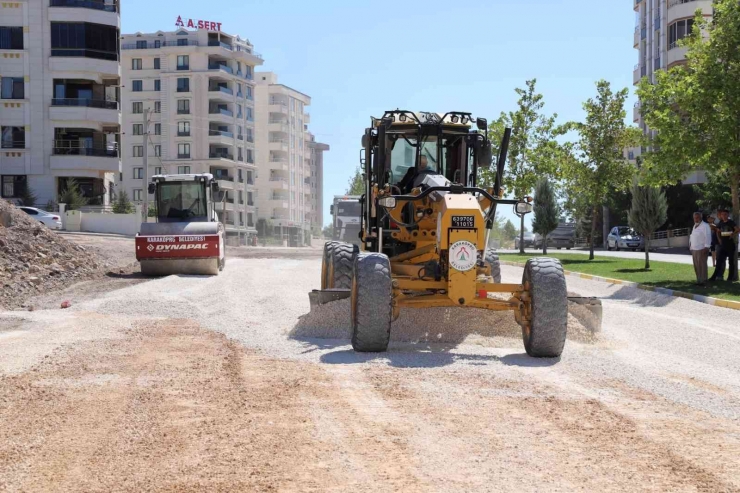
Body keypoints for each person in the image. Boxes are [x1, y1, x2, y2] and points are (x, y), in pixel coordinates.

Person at [709, 208, 739, 282]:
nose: (723, 216)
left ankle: (730, 278)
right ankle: (714, 277)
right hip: (723, 245)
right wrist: (719, 239)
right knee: (719, 261)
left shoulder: (731, 222)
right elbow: (718, 231)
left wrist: (733, 234)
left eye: (725, 214)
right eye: (722, 214)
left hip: (730, 245)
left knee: (731, 262)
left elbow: (737, 229)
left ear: (728, 215)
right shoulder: (721, 222)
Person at [689, 212, 712, 286]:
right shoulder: (695, 226)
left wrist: (706, 247)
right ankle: (698, 280)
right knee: (696, 266)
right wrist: (690, 246)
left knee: (702, 265)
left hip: (702, 249)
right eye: (695, 218)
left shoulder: (705, 226)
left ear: (701, 218)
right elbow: (692, 236)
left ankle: (704, 280)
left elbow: (708, 236)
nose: (696, 219)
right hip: (694, 249)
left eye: (698, 217)